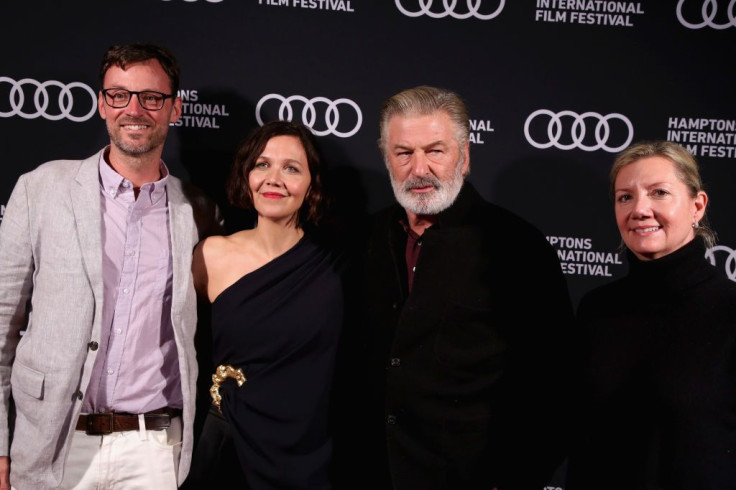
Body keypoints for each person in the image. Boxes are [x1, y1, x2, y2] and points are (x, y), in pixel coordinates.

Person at [0, 43, 222, 489]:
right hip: (51, 442)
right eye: (119, 95)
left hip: (154, 451)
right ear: (102, 104)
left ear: (175, 108)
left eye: (151, 97)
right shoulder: (40, 190)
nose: (134, 109)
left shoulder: (199, 211)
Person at [343, 85, 575, 490]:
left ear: (463, 157)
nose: (419, 169)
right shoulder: (363, 239)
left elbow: (555, 384)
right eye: (404, 153)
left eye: (435, 150)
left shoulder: (517, 246)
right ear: (386, 159)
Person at [184, 120, 347, 490]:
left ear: (311, 183)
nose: (274, 178)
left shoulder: (336, 265)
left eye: (291, 168)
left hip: (307, 452)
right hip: (228, 446)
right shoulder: (212, 254)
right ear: (247, 174)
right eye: (262, 164)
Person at [565, 140, 736, 490]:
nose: (640, 209)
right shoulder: (597, 309)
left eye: (659, 193)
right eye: (625, 197)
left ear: (697, 206)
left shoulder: (729, 312)